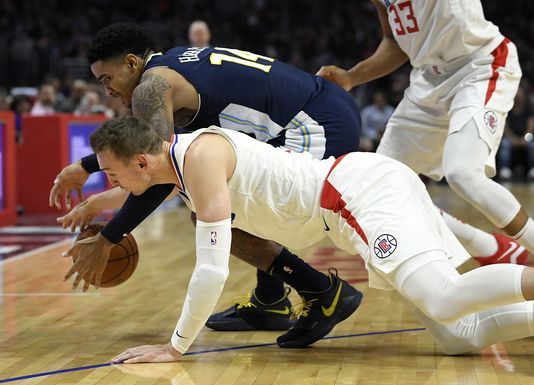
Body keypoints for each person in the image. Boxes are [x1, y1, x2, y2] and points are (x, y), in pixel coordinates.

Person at [65, 115, 534, 363]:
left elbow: (211, 268)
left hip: (357, 195)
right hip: (355, 198)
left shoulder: (202, 159)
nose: (109, 181)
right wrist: (95, 204)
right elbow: (132, 190)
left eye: (110, 173)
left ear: (141, 162)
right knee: (458, 337)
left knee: (445, 299)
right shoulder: (174, 164)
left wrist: (175, 347)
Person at [50, 23, 362, 333]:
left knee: (209, 211)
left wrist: (109, 238)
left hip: (315, 125)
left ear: (131, 63)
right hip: (326, 109)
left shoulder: (150, 90)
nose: (107, 90)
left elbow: (160, 172)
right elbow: (154, 156)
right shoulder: (172, 65)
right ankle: (270, 301)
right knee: (216, 196)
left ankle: (322, 292)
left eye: (107, 78)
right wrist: (89, 170)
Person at [318, 0, 533, 267]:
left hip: (478, 65)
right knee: (381, 188)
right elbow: (395, 41)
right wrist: (352, 77)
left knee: (463, 173)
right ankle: (490, 248)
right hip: (428, 80)